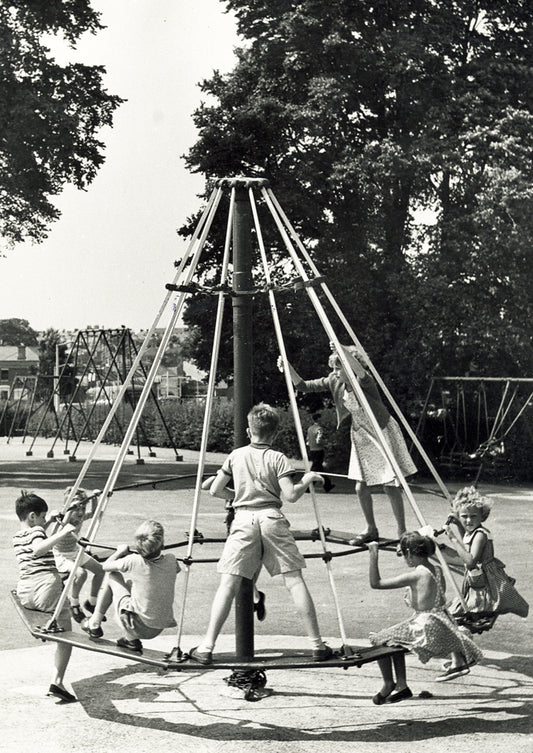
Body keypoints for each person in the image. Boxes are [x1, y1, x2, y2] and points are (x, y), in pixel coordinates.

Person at [189, 403, 331, 665]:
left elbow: (214, 490)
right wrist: (308, 479)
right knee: (294, 580)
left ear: (248, 430)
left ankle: (206, 647)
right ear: (275, 434)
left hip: (243, 518)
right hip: (271, 518)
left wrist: (238, 496)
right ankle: (317, 645)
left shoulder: (236, 455)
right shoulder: (278, 458)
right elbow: (290, 495)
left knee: (228, 583)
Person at [280, 345, 416, 544]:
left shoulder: (365, 381)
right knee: (360, 487)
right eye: (334, 368)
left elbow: (360, 371)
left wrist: (342, 349)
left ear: (350, 367)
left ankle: (402, 532)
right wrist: (287, 367)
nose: (334, 372)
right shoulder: (334, 380)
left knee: (390, 485)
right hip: (361, 434)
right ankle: (371, 528)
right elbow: (303, 386)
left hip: (381, 431)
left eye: (338, 368)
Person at [368, 532, 483, 696]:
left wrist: (373, 554)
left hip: (426, 626)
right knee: (394, 641)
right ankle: (401, 685)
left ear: (409, 554)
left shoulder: (416, 575)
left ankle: (390, 683)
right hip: (441, 621)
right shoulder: (437, 569)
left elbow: (376, 583)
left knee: (380, 640)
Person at [13, 490, 79, 703]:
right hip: (45, 590)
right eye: (42, 517)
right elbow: (38, 548)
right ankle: (57, 681)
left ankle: (50, 625)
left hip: (26, 594)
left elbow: (36, 536)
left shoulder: (18, 536)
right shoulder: (37, 535)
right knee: (66, 635)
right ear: (33, 516)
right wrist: (64, 531)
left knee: (61, 583)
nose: (44, 521)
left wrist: (48, 521)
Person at [82, 520, 179, 653]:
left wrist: (119, 552)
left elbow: (105, 566)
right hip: (158, 627)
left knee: (112, 576)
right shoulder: (171, 559)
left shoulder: (133, 560)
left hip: (135, 624)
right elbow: (172, 570)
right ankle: (130, 640)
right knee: (130, 585)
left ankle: (94, 622)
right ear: (161, 544)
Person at [441, 487, 529, 625]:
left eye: (473, 516)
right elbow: (466, 540)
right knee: (462, 605)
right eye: (464, 516)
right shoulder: (472, 531)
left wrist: (452, 538)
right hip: (478, 574)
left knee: (472, 606)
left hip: (486, 577)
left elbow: (470, 561)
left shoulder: (481, 534)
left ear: (482, 516)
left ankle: (482, 610)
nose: (468, 521)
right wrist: (458, 524)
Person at [52, 487, 104, 623]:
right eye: (76, 508)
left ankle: (91, 602)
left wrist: (94, 498)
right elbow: (63, 523)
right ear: (68, 507)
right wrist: (70, 509)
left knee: (100, 570)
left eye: (82, 507)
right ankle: (74, 605)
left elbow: (94, 513)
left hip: (75, 551)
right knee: (81, 574)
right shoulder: (64, 518)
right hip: (61, 555)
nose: (80, 512)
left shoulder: (80, 516)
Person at [306, 412, 333, 492]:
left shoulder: (310, 429)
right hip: (318, 450)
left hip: (312, 450)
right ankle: (308, 487)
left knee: (319, 468)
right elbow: (318, 440)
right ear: (318, 419)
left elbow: (307, 441)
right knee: (315, 469)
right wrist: (325, 443)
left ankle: (327, 485)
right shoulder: (319, 429)